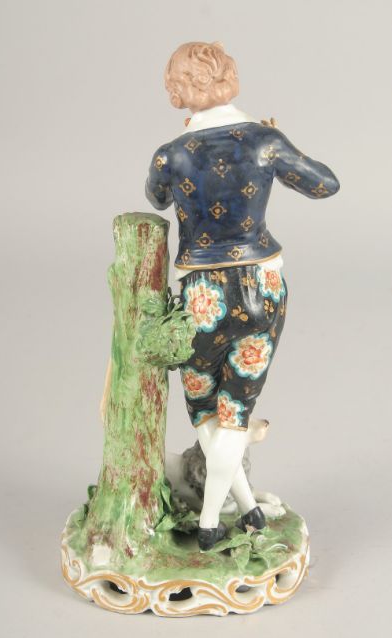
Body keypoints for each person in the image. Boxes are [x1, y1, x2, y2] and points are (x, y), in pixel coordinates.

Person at [145, 41, 339, 551]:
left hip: (201, 295)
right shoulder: (264, 140)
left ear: (179, 92)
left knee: (204, 407)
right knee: (235, 409)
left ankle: (210, 519)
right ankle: (245, 508)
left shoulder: (170, 153)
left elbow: (155, 197)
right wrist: (273, 143)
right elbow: (325, 184)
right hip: (261, 285)